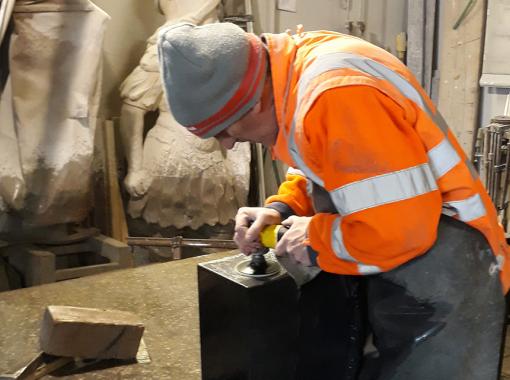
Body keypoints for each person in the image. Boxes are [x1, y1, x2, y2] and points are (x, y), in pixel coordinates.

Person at [157, 22, 509, 379]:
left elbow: (401, 230)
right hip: (408, 261)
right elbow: (331, 162)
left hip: (450, 277)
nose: (228, 144)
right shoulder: (295, 68)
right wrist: (283, 207)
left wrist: (315, 238)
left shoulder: (336, 95)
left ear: (255, 102)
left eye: (226, 130)